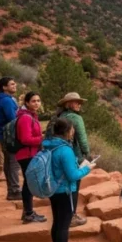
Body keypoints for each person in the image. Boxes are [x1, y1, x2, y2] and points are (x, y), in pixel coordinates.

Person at [44, 118, 92, 242]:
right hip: (65, 190)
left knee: (57, 222)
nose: (73, 132)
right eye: (72, 130)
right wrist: (87, 168)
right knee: (63, 225)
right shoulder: (65, 150)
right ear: (67, 131)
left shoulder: (49, 146)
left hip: (53, 189)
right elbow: (72, 175)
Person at [48, 92, 90, 227]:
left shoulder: (58, 117)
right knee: (73, 186)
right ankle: (71, 216)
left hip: (55, 153)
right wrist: (87, 155)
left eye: (79, 102)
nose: (79, 104)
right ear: (68, 104)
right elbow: (83, 140)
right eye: (76, 102)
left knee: (60, 185)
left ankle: (61, 216)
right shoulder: (76, 118)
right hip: (73, 155)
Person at [14, 92, 47, 224]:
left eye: (38, 101)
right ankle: (28, 214)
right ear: (26, 103)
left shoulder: (31, 116)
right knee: (29, 184)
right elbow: (25, 139)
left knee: (29, 183)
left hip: (30, 154)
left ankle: (28, 212)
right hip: (26, 155)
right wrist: (42, 139)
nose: (37, 103)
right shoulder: (26, 118)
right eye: (33, 101)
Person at [0, 77, 21, 200]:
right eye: (12, 84)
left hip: (4, 135)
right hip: (10, 136)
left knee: (9, 163)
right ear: (4, 87)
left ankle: (11, 191)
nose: (15, 85)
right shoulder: (7, 101)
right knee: (13, 163)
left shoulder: (0, 99)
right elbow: (12, 118)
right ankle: (15, 190)